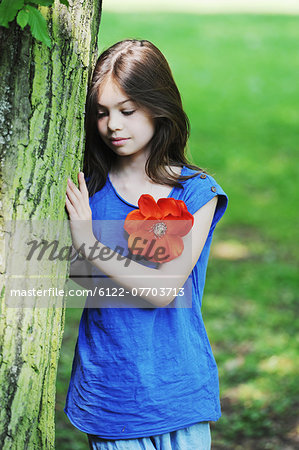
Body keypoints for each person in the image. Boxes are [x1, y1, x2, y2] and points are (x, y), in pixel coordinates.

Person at [64, 39, 228, 450]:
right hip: (111, 392)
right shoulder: (89, 191)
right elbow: (79, 280)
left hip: (177, 390)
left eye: (127, 111)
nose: (112, 125)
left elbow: (162, 290)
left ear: (158, 107)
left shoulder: (195, 192)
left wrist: (89, 243)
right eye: (101, 113)